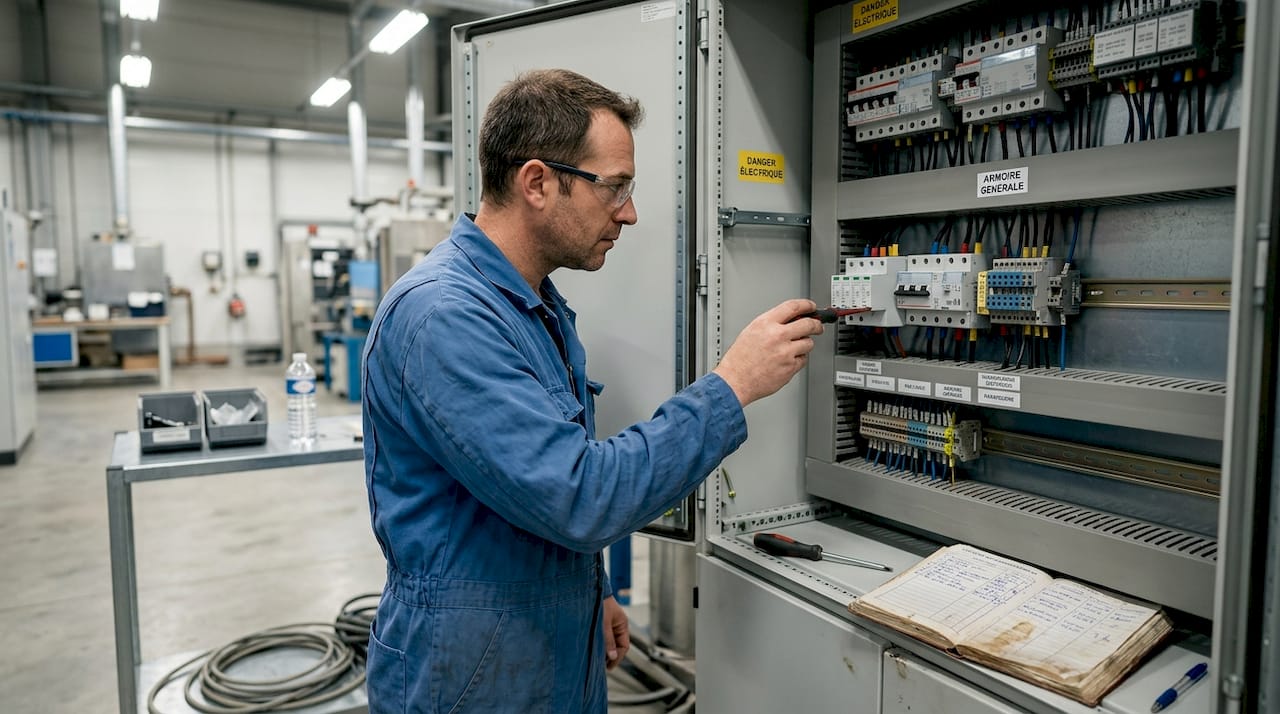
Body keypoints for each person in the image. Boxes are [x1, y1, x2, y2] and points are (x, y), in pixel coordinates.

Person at [361, 68, 823, 714]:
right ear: (538, 183)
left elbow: (526, 489)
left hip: (540, 660)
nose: (629, 212)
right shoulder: (444, 317)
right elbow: (579, 494)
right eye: (615, 188)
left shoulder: (535, 308)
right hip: (472, 686)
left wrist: (589, 589)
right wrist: (732, 385)